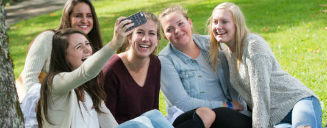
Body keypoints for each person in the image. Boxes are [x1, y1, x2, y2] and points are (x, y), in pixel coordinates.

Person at [208, 2, 322, 128]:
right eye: (215, 21)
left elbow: (260, 96)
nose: (218, 26)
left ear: (237, 25)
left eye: (224, 21)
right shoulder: (228, 52)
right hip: (275, 119)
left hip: (297, 102)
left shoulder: (253, 46)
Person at [158, 5, 251, 128]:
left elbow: (237, 63)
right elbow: (182, 103)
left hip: (231, 114)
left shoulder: (211, 43)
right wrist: (227, 105)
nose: (177, 30)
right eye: (169, 29)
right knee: (224, 116)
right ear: (165, 36)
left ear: (189, 23)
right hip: (197, 118)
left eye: (180, 23)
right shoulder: (165, 60)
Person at [19, 0, 103, 127]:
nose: (85, 20)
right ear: (67, 17)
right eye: (78, 15)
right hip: (43, 109)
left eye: (89, 15)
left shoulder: (88, 47)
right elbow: (29, 78)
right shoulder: (48, 38)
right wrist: (43, 107)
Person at [35, 23, 131, 127]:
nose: (87, 50)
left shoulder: (89, 89)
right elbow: (85, 72)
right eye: (79, 46)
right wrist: (114, 44)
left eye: (87, 43)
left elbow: (110, 124)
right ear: (63, 56)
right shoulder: (54, 82)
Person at [102, 12, 161, 124]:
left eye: (152, 33)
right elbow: (107, 121)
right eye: (140, 32)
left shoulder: (155, 63)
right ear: (129, 36)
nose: (145, 39)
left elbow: (154, 111)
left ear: (157, 40)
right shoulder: (111, 70)